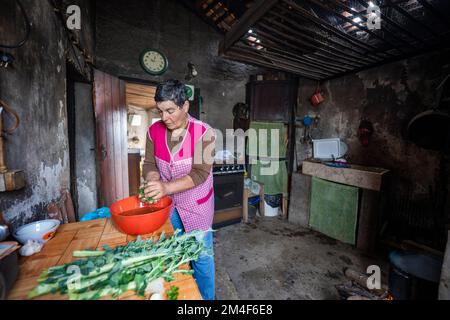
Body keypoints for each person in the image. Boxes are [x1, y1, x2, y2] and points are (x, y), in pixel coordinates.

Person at [141, 79, 216, 300]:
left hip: (197, 207)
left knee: (201, 257)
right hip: (170, 206)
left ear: (185, 106)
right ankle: (185, 297)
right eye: (160, 111)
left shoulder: (205, 133)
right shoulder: (153, 131)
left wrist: (166, 186)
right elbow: (149, 164)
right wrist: (154, 181)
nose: (164, 117)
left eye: (170, 110)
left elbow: (200, 173)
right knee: (175, 253)